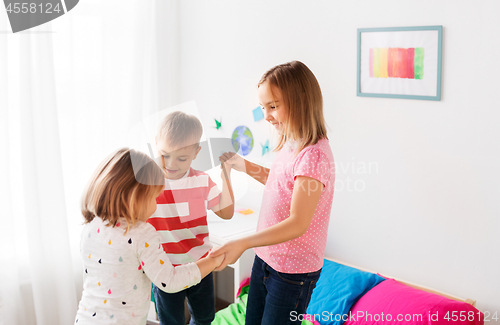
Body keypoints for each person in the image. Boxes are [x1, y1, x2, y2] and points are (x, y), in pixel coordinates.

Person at [212, 61, 335, 325]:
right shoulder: (292, 143)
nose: (266, 115)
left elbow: (298, 222)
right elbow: (281, 183)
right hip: (267, 259)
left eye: (273, 106)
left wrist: (244, 242)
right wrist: (244, 166)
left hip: (291, 273)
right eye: (263, 107)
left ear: (301, 100)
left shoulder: (313, 155)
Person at [74, 148, 224, 325]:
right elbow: (170, 280)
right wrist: (211, 261)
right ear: (134, 197)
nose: (155, 206)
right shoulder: (142, 234)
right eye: (154, 198)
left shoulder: (90, 226)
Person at [148, 111, 235, 325]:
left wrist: (226, 175)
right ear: (156, 144)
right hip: (165, 269)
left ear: (196, 152)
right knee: (170, 321)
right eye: (165, 155)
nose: (171, 164)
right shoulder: (148, 182)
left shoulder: (202, 181)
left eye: (182, 158)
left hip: (200, 266)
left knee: (205, 317)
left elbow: (227, 212)